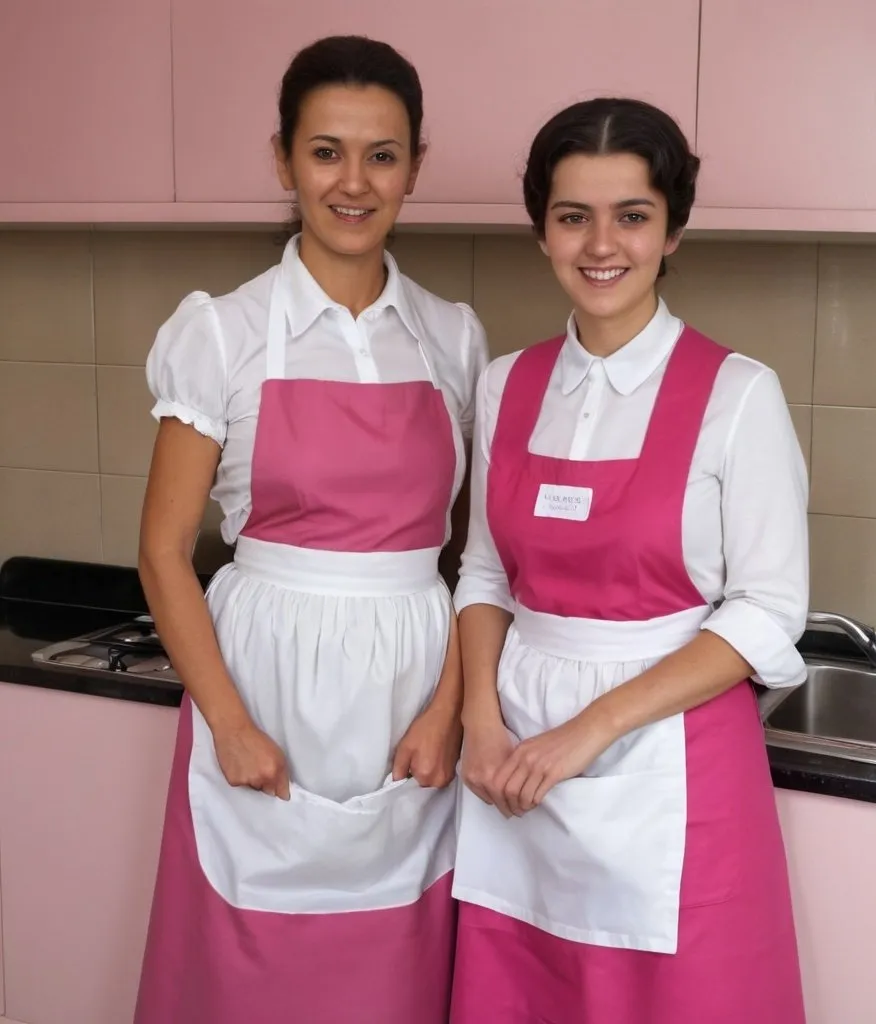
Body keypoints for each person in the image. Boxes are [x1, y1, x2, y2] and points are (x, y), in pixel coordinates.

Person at [132, 35, 487, 1024]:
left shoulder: (452, 335)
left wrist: (447, 711)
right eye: (326, 151)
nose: (353, 180)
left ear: (416, 166)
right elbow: (163, 551)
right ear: (281, 160)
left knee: (393, 972)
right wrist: (231, 723)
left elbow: (474, 560)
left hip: (407, 693)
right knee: (246, 972)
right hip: (262, 685)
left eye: (382, 154)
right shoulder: (220, 332)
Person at [449, 97, 809, 1023]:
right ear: (542, 232)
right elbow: (487, 574)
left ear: (673, 230)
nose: (600, 244)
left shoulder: (738, 394)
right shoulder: (506, 384)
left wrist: (592, 728)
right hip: (516, 762)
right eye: (573, 216)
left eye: (632, 216)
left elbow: (767, 610)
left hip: (671, 757)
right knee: (526, 994)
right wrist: (480, 722)